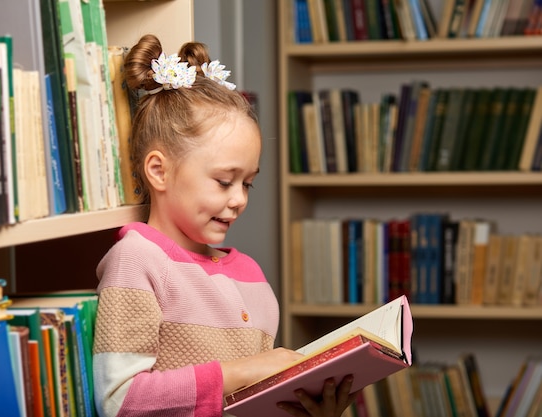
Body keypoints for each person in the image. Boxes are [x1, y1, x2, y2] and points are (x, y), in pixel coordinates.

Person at [92, 34, 358, 417]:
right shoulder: (136, 261)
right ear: (159, 171)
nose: (240, 199)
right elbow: (119, 401)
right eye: (223, 181)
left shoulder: (251, 275)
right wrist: (241, 371)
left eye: (247, 183)